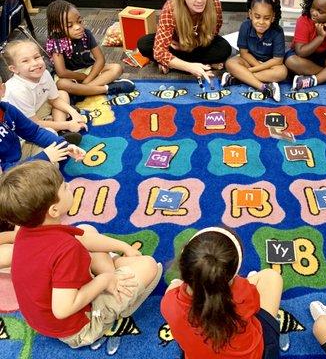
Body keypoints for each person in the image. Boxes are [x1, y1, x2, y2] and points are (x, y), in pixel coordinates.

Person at [0, 160, 162, 348]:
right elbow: (62, 309)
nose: (69, 187)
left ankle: (112, 276)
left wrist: (123, 246)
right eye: (65, 187)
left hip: (43, 318)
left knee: (86, 229)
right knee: (149, 266)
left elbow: (85, 239)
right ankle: (116, 298)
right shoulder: (66, 250)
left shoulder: (25, 232)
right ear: (54, 210)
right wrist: (105, 280)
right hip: (78, 327)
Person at [161, 227, 283, 359]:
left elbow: (178, 289)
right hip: (259, 354)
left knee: (174, 285)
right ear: (232, 276)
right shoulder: (243, 292)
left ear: (182, 260)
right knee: (272, 277)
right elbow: (255, 305)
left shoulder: (168, 303)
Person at [137, 0, 231, 83]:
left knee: (224, 49)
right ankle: (199, 65)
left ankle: (174, 64)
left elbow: (213, 33)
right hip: (175, 45)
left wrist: (190, 45)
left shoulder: (214, 4)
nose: (200, 0)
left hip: (199, 45)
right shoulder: (171, 9)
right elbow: (159, 51)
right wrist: (190, 67)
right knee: (144, 44)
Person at [46, 0, 135, 97]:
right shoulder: (56, 42)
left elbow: (100, 59)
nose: (78, 27)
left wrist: (87, 80)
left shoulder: (86, 34)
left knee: (116, 68)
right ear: (57, 28)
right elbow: (62, 72)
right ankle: (105, 89)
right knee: (61, 84)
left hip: (89, 71)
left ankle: (81, 92)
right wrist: (83, 76)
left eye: (79, 21)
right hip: (70, 76)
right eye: (70, 26)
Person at [3, 40, 87, 143]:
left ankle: (60, 131)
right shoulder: (17, 90)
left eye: (36, 57)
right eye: (25, 61)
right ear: (14, 69)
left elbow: (54, 100)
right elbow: (32, 124)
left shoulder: (45, 73)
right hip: (20, 126)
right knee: (42, 132)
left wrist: (73, 113)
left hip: (35, 110)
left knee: (62, 94)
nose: (35, 63)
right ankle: (61, 127)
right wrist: (68, 125)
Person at [0, 80, 85, 171]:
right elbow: (5, 172)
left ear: (2, 90)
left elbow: (34, 132)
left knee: (50, 135)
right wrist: (44, 157)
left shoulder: (7, 109)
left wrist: (65, 146)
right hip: (6, 174)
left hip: (18, 155)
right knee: (47, 169)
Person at [221, 0, 287, 102]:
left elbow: (278, 60)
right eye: (257, 17)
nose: (261, 22)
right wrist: (256, 66)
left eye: (266, 18)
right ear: (250, 14)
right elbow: (243, 53)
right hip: (249, 61)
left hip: (269, 64)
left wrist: (251, 70)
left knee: (282, 72)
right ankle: (264, 87)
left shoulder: (278, 31)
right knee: (230, 63)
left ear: (273, 17)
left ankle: (238, 77)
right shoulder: (245, 26)